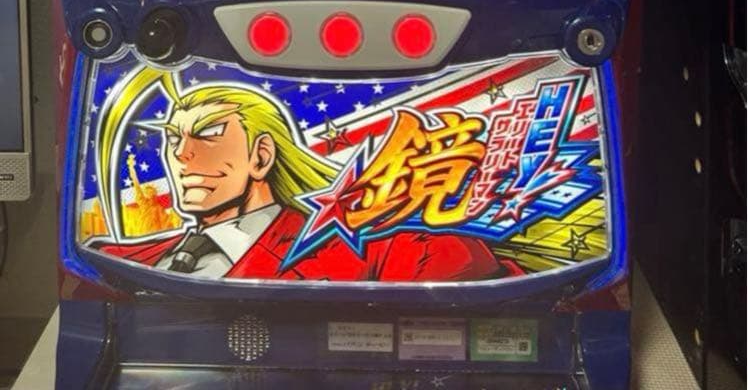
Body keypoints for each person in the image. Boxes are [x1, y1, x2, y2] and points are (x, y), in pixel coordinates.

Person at [94, 69, 520, 283]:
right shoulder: (120, 259)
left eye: (208, 135)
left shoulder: (386, 246)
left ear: (261, 156)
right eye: (174, 138)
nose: (181, 155)